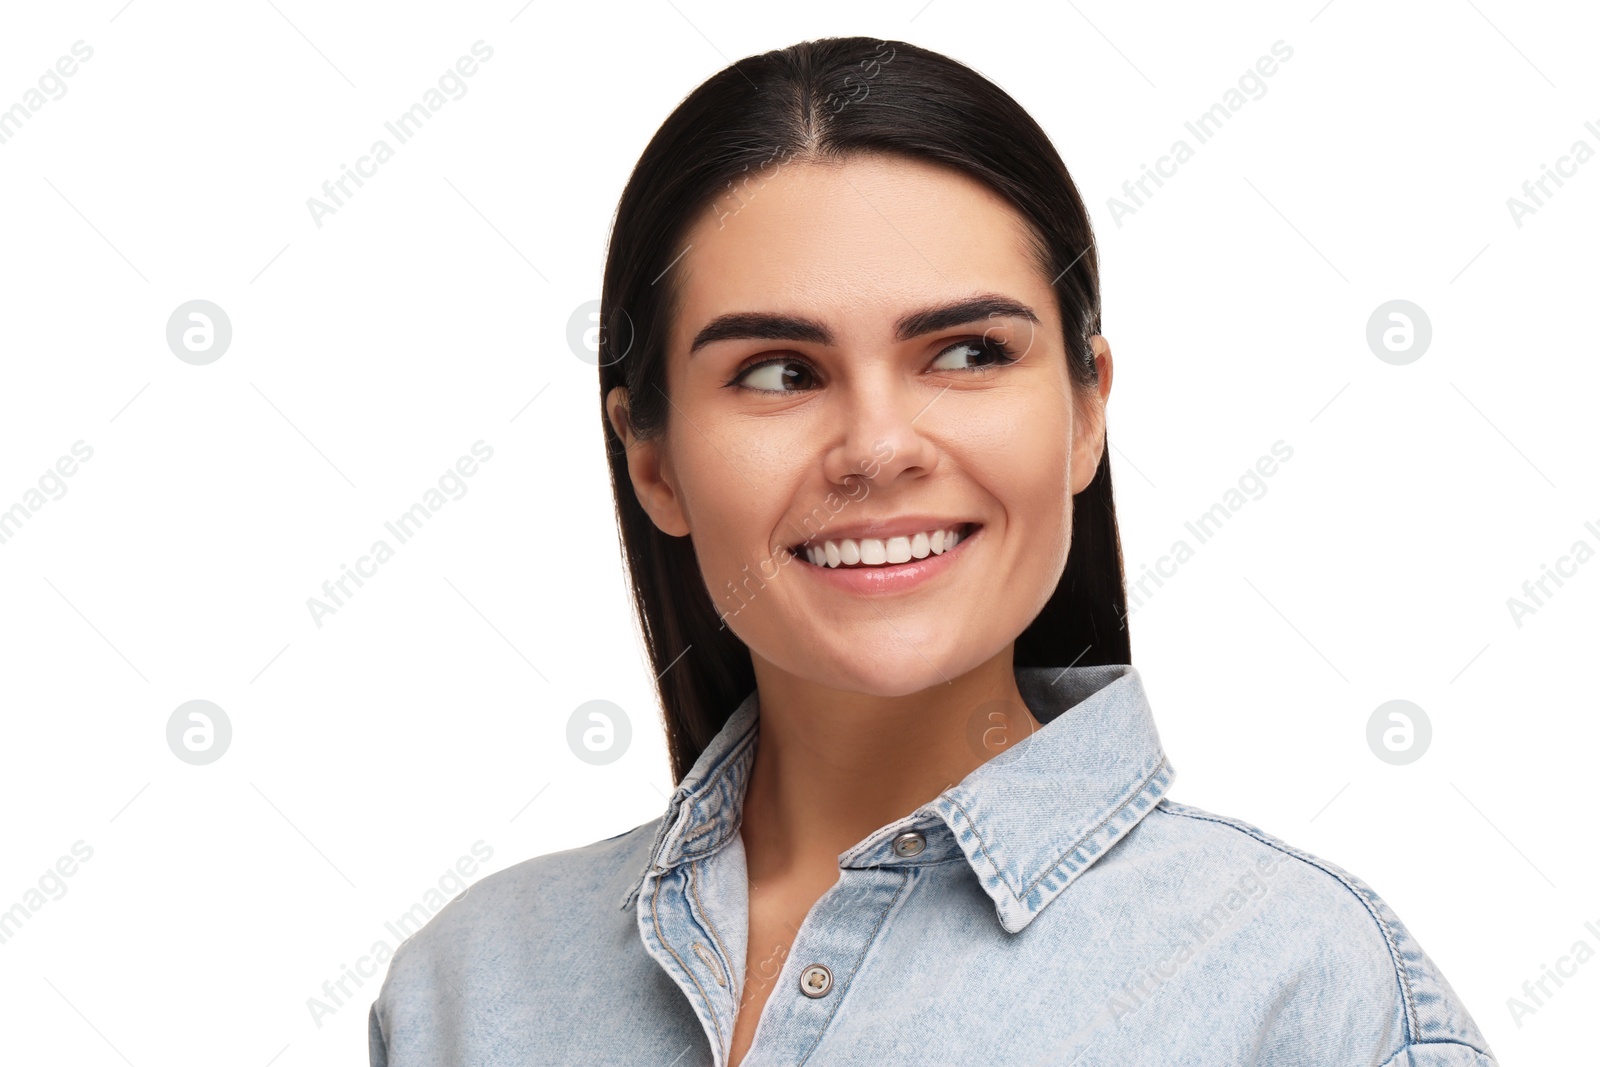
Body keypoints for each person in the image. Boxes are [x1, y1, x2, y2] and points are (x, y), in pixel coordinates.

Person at [368, 36, 1496, 1066]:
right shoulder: (470, 989)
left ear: (1085, 410)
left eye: (964, 352)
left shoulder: (1299, 990)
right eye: (776, 371)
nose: (877, 447)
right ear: (652, 460)